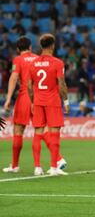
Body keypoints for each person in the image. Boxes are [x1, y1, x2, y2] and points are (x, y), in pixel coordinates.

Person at [3, 36, 66, 176]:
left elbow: (14, 77)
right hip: (40, 97)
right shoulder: (39, 59)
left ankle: (15, 166)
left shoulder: (18, 60)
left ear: (18, 49)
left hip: (26, 96)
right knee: (42, 130)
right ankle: (58, 159)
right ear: (31, 47)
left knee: (19, 130)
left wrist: (8, 99)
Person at [28, 34, 69, 176]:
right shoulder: (57, 63)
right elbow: (62, 84)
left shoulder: (32, 63)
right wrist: (66, 101)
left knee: (38, 133)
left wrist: (32, 101)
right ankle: (53, 167)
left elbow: (28, 85)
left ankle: (37, 167)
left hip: (38, 101)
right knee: (54, 134)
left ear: (41, 46)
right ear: (52, 45)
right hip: (52, 101)